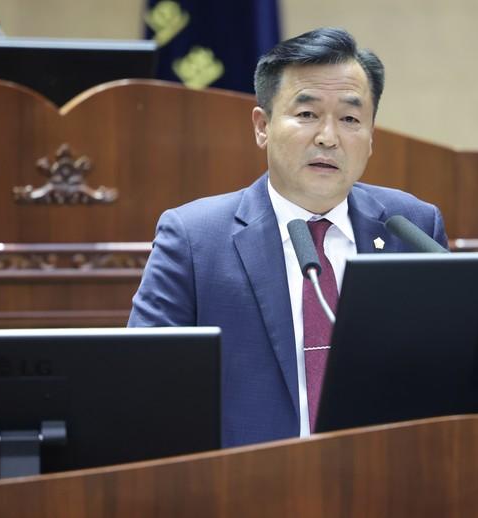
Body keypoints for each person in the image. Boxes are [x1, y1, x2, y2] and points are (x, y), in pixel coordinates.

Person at [128, 27, 448, 448]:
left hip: (382, 472)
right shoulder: (194, 239)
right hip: (247, 479)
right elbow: (144, 387)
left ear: (371, 136)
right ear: (262, 126)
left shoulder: (414, 227)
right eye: (307, 114)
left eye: (350, 119)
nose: (328, 137)